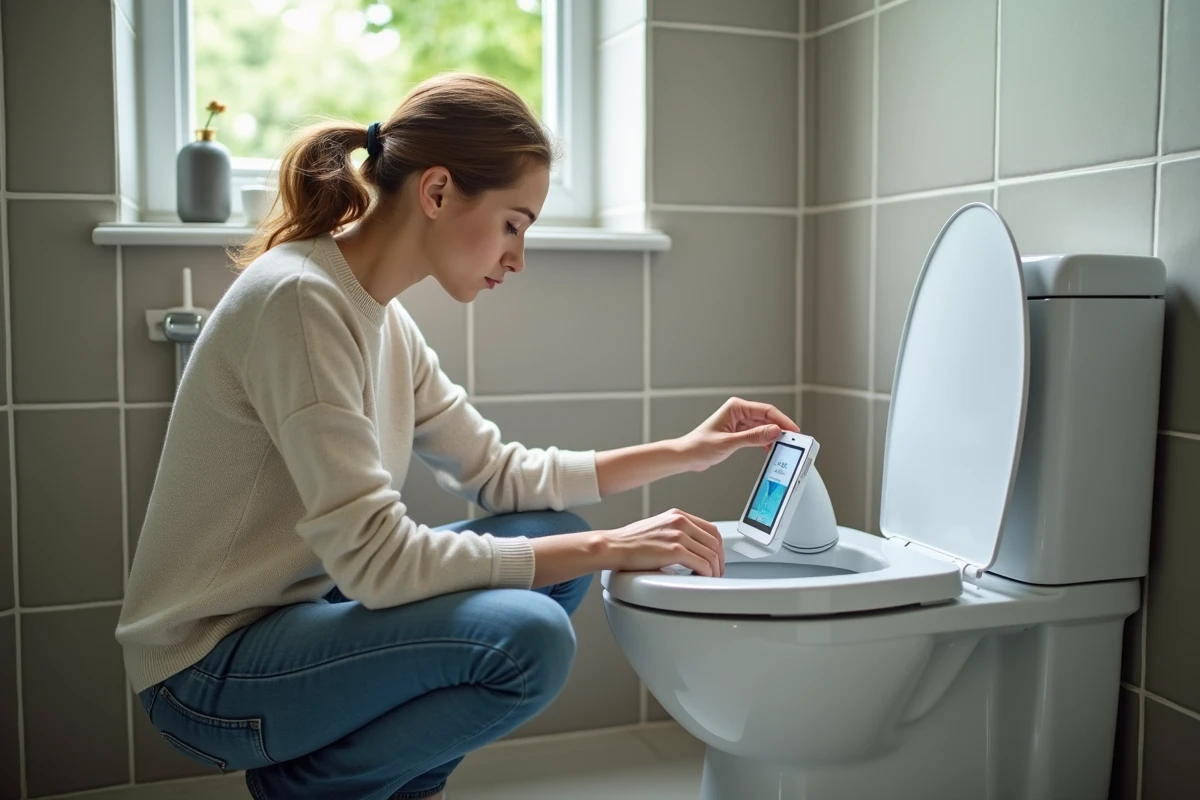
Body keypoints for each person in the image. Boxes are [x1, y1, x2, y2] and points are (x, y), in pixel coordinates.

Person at [116, 72, 799, 800]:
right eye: (513, 223)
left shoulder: (381, 320)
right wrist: (613, 545)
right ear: (437, 192)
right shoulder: (301, 304)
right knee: (529, 639)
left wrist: (687, 451)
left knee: (552, 539)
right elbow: (380, 563)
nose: (517, 258)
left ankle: (392, 788)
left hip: (297, 630)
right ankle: (315, 789)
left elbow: (502, 476)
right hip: (207, 676)